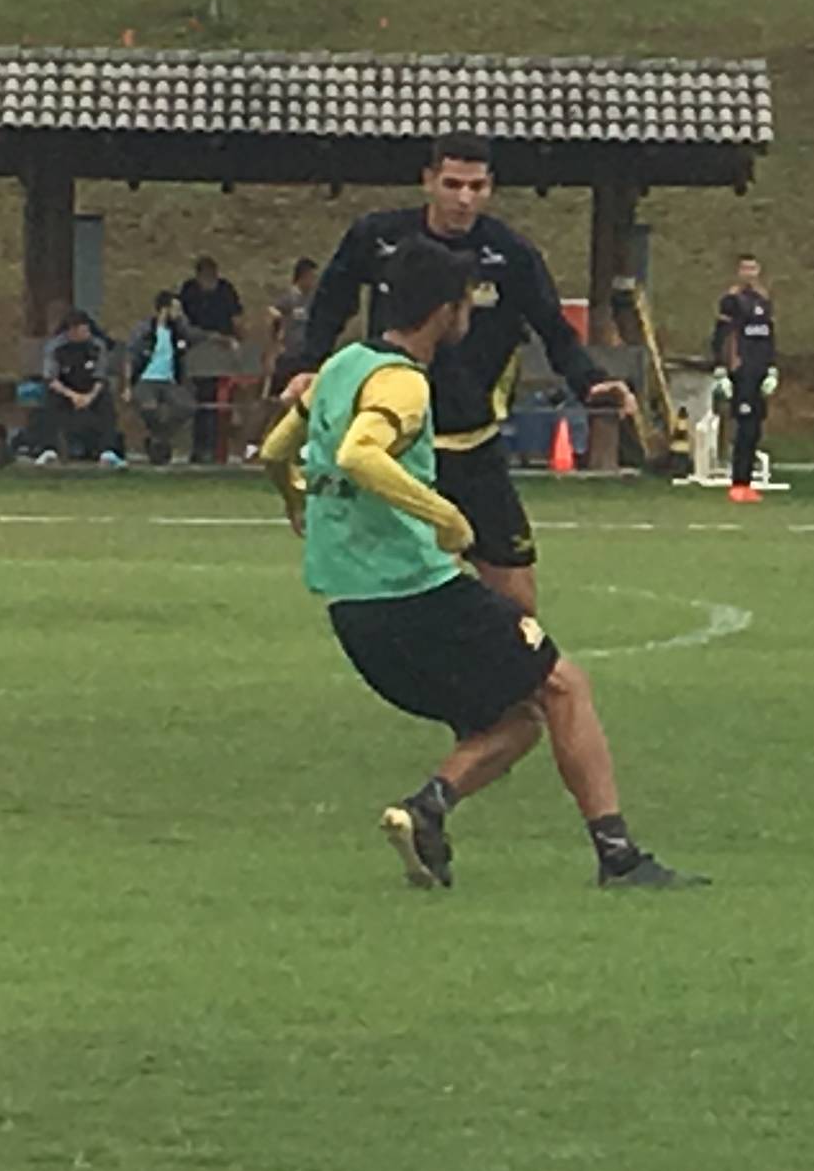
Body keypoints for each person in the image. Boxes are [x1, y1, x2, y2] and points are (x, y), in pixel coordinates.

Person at [259, 242, 704, 892]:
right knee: (564, 686)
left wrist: (294, 497)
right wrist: (446, 518)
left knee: (516, 717)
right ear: (447, 311)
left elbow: (276, 448)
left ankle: (426, 812)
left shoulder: (340, 366)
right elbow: (361, 453)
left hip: (352, 615)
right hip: (417, 596)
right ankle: (619, 858)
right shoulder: (404, 381)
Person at [293, 131, 638, 616]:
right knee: (398, 588)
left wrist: (591, 382)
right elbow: (330, 303)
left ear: (490, 188)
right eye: (453, 183)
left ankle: (515, 683)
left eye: (476, 186)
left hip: (472, 444)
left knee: (517, 599)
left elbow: (553, 329)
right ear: (428, 181)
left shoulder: (509, 254)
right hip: (399, 448)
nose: (464, 198)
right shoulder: (379, 237)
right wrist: (307, 366)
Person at [712, 253, 778, 504]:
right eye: (745, 268)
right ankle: (738, 482)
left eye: (753, 268)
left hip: (760, 373)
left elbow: (769, 338)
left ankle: (747, 482)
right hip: (741, 372)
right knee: (743, 427)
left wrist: (771, 368)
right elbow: (722, 336)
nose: (750, 273)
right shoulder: (731, 301)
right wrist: (721, 369)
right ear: (738, 271)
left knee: (755, 429)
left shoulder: (764, 301)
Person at [178, 256, 245, 461]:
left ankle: (218, 448)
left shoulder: (225, 290)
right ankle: (200, 448)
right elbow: (183, 324)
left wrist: (237, 341)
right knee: (202, 400)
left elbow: (237, 319)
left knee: (222, 399)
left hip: (223, 351)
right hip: (198, 349)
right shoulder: (189, 291)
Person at [37, 308, 124, 465]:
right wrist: (73, 396)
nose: (86, 333)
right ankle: (49, 450)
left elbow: (101, 376)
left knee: (106, 400)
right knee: (49, 400)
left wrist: (89, 396)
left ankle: (108, 451)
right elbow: (51, 378)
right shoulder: (56, 347)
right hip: (65, 390)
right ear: (72, 331)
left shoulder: (97, 346)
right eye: (82, 330)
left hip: (90, 390)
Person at [126, 290, 197, 465]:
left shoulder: (178, 331)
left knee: (187, 406)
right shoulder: (144, 330)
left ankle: (158, 438)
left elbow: (198, 335)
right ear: (164, 309)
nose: (179, 314)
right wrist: (127, 385)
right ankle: (160, 444)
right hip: (146, 379)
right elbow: (130, 357)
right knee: (150, 408)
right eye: (176, 309)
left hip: (169, 381)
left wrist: (222, 339)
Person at [264, 257, 320, 399]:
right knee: (280, 395)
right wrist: (276, 340)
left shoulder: (313, 299)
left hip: (305, 354)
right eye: (311, 276)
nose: (314, 281)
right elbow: (273, 313)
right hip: (288, 355)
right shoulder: (289, 297)